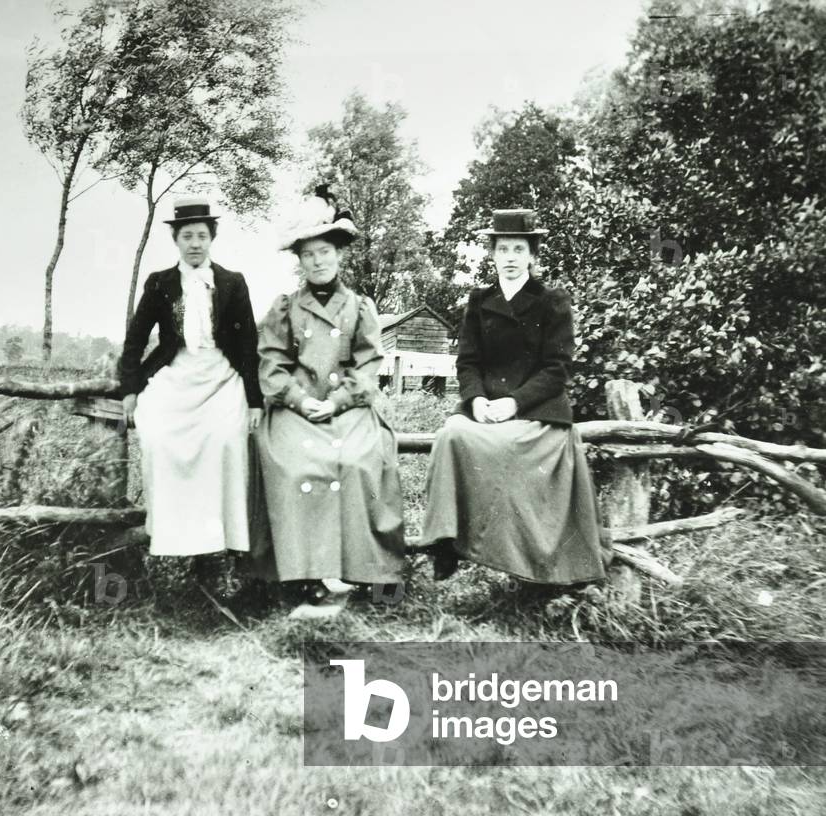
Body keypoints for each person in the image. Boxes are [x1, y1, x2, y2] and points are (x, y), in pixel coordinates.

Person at [417, 208, 611, 585]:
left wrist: (514, 402)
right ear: (492, 254)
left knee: (505, 451)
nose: (509, 257)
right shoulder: (479, 301)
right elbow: (467, 362)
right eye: (502, 249)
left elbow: (557, 369)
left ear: (532, 255)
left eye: (518, 249)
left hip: (536, 412)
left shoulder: (552, 301)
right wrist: (476, 400)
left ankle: (507, 549)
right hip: (485, 408)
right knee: (450, 435)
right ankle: (445, 542)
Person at [249, 186, 405, 605]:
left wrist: (336, 402)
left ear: (338, 255)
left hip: (347, 406)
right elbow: (271, 366)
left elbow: (368, 367)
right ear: (300, 261)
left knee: (358, 463)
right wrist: (300, 400)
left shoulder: (359, 307)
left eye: (325, 252)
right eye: (309, 254)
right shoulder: (285, 308)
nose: (318, 261)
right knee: (295, 465)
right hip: (296, 408)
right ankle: (300, 574)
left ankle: (372, 573)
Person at [118, 195, 263, 577]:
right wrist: (130, 390)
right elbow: (135, 339)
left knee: (226, 440)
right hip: (176, 373)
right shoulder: (160, 283)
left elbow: (248, 343)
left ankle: (220, 541)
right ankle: (175, 535)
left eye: (201, 235)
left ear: (212, 237)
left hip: (221, 376)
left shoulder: (232, 282)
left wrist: (254, 400)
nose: (195, 244)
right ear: (176, 240)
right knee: (159, 438)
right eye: (187, 236)